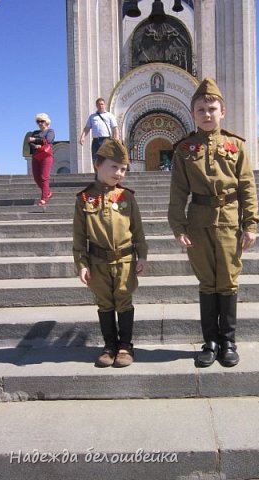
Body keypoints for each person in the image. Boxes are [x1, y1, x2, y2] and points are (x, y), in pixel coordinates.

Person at [168, 78, 259, 368]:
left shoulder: (237, 146)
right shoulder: (184, 150)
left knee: (229, 280)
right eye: (200, 109)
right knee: (207, 281)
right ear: (192, 113)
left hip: (231, 221)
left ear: (223, 111)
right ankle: (210, 342)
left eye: (212, 108)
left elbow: (247, 186)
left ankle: (228, 342)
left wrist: (251, 224)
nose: (206, 114)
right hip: (198, 221)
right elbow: (178, 192)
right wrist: (178, 227)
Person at [73, 139, 148, 368]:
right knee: (105, 303)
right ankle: (109, 346)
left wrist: (142, 255)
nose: (119, 173)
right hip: (97, 262)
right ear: (98, 165)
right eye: (114, 167)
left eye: (123, 168)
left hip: (125, 260)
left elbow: (138, 230)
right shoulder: (84, 198)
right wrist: (81, 264)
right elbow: (79, 236)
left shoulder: (127, 196)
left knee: (124, 301)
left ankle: (125, 346)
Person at [79, 98, 120, 164]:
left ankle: (106, 174)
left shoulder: (109, 115)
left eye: (102, 104)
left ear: (104, 105)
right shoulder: (92, 117)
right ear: (96, 106)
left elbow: (115, 128)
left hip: (106, 140)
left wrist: (116, 139)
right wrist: (82, 137)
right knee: (95, 159)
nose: (101, 106)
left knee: (106, 159)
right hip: (96, 141)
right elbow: (87, 128)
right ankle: (97, 174)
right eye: (99, 104)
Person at [27, 113, 55, 206]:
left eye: (42, 121)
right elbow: (29, 143)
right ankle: (48, 193)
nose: (40, 123)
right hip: (36, 156)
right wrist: (36, 145)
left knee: (44, 177)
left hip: (46, 156)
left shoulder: (50, 131)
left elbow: (48, 140)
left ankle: (44, 198)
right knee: (36, 177)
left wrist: (34, 140)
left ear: (46, 122)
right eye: (38, 121)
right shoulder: (35, 132)